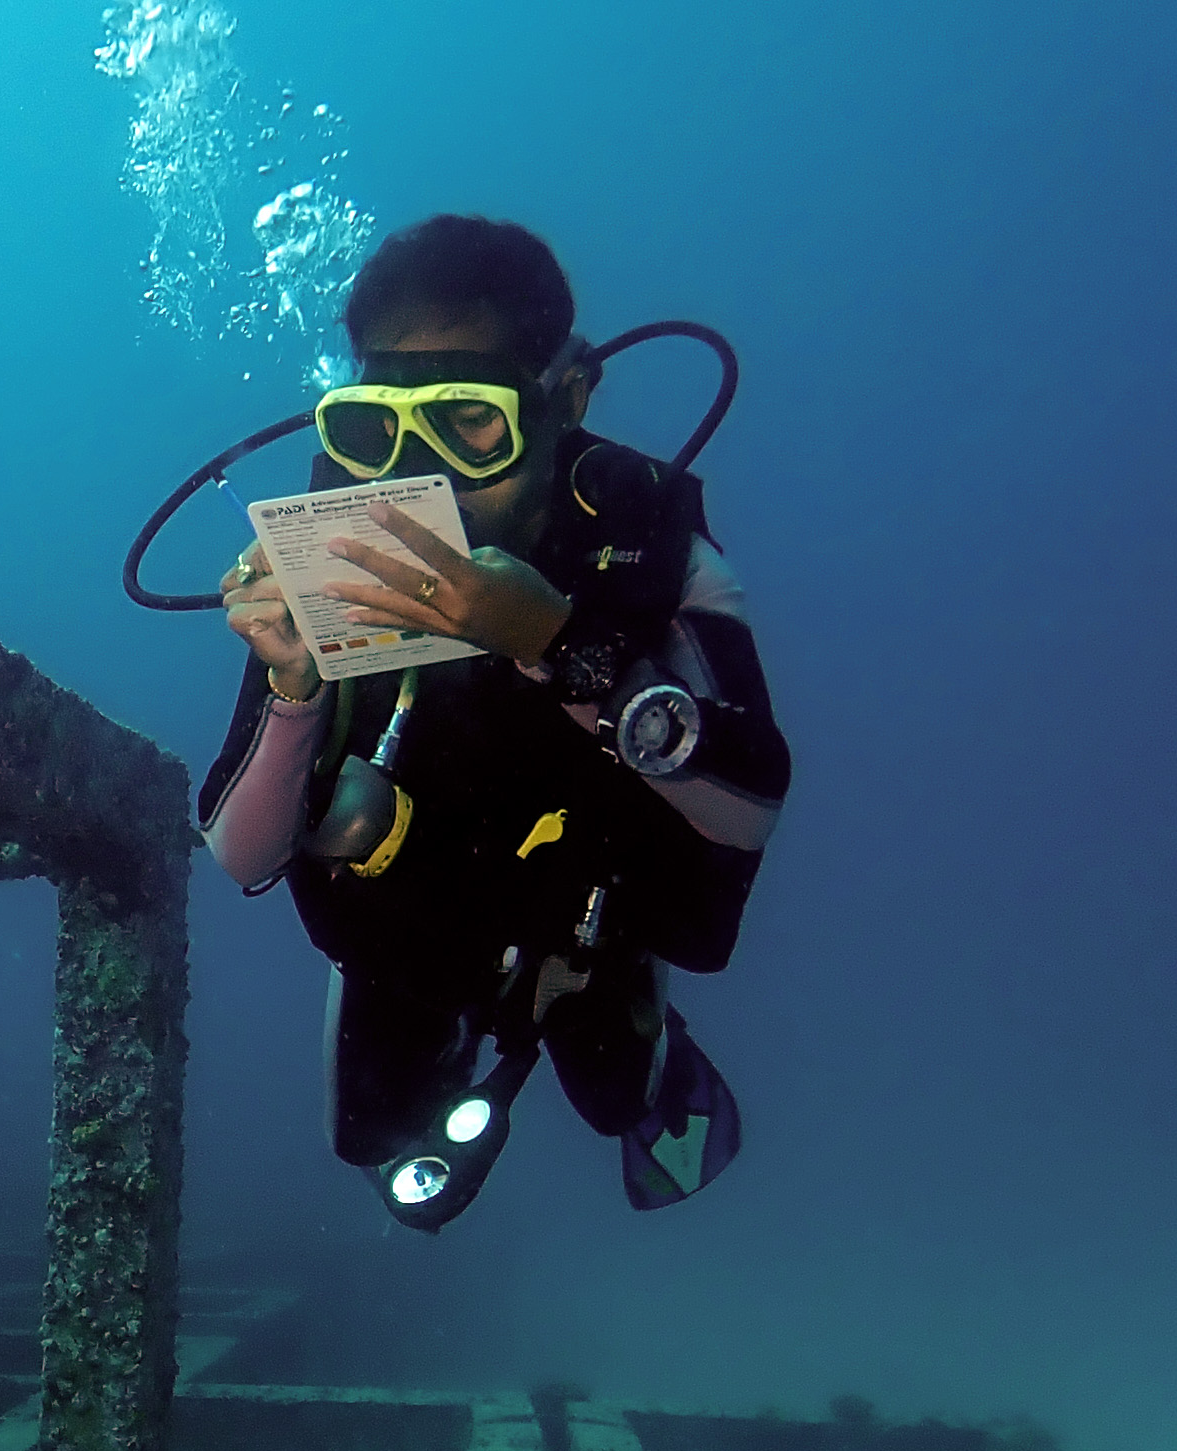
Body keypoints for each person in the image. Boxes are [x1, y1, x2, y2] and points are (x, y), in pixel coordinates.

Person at [196, 215, 790, 1222]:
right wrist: (294, 685)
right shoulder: (337, 553)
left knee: (612, 1098)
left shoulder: (649, 549)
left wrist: (559, 641)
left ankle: (647, 1044)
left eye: (470, 422)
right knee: (366, 1138)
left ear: (567, 396)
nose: (428, 482)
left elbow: (747, 810)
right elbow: (240, 854)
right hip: (412, 912)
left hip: (588, 917)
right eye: (377, 431)